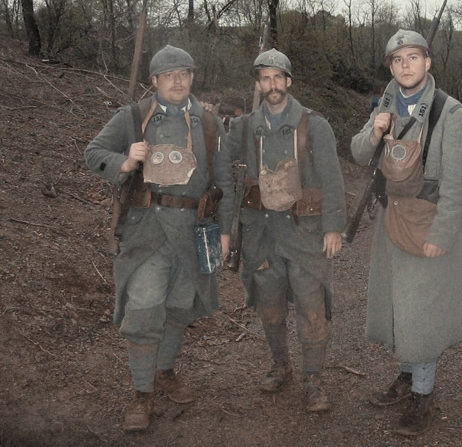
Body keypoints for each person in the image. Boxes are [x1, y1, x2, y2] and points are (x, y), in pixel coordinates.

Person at [85, 45, 234, 432]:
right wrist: (125, 161)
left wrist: (227, 233)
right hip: (146, 231)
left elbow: (226, 184)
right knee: (145, 308)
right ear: (154, 81)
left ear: (192, 77)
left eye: (184, 73)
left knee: (180, 308)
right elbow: (93, 152)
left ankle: (165, 371)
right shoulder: (133, 117)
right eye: (169, 75)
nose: (178, 81)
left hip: (192, 231)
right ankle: (142, 393)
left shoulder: (208, 123)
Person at [350, 30, 462, 436]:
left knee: (422, 315)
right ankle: (406, 378)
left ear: (428, 62)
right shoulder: (385, 104)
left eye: (413, 57)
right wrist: (374, 131)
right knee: (398, 307)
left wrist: (442, 234)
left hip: (427, 224)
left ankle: (424, 395)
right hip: (391, 222)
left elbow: (459, 185)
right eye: (397, 59)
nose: (405, 66)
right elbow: (356, 152)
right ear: (390, 66)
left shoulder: (451, 114)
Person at [227, 49, 345, 412]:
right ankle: (281, 365)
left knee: (311, 307)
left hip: (305, 233)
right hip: (262, 235)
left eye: (278, 77)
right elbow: (226, 174)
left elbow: (332, 179)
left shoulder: (314, 125)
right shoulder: (245, 127)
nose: (272, 85)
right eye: (265, 78)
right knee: (270, 308)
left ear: (289, 82)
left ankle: (313, 377)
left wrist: (333, 227)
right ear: (258, 84)